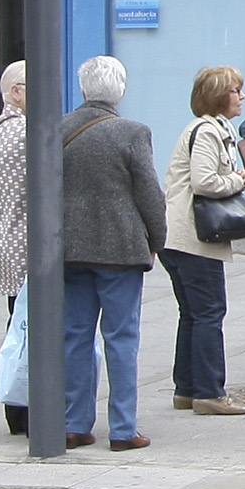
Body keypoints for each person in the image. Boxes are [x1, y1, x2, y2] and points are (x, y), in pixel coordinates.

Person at [60, 56, 165, 450]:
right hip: (120, 249)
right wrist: (157, 240)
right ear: (119, 90)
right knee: (121, 339)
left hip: (69, 248)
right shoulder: (132, 132)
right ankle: (122, 428)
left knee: (75, 337)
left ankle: (74, 423)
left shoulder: (55, 129)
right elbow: (149, 194)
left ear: (83, 89)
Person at [159, 65, 245, 417]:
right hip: (192, 238)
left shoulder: (209, 129)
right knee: (210, 312)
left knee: (193, 314)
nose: (242, 96)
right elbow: (205, 182)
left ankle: (187, 388)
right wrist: (237, 182)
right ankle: (210, 392)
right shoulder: (208, 132)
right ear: (218, 96)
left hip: (177, 238)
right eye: (235, 91)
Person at [0, 60, 31, 438]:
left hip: (6, 240)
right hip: (24, 244)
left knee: (19, 324)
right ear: (16, 91)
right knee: (28, 329)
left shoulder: (0, 128)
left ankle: (19, 410)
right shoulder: (22, 131)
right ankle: (24, 410)